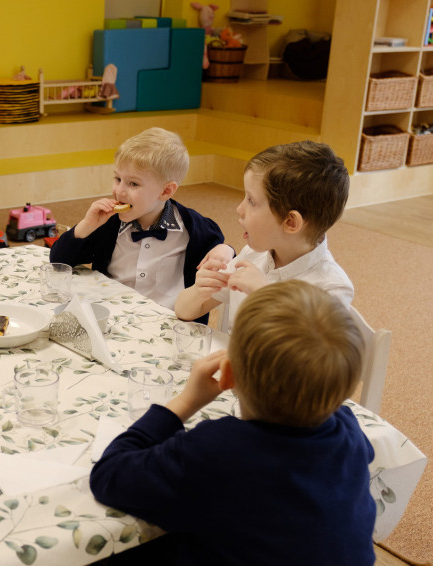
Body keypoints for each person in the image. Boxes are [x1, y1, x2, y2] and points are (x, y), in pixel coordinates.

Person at [90, 280, 376, 565]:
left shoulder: (218, 449)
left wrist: (186, 402)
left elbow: (110, 476)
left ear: (228, 375)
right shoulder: (348, 430)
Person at [49, 127, 229, 318]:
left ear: (166, 191)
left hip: (168, 322)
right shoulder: (108, 224)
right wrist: (87, 224)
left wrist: (225, 250)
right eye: (118, 179)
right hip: (113, 316)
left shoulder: (196, 229)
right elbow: (59, 261)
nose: (119, 191)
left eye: (133, 184)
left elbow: (220, 258)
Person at [174, 140, 353, 329]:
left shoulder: (332, 288)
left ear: (291, 222)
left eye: (251, 201)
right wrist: (198, 291)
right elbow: (183, 311)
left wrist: (264, 294)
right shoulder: (252, 256)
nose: (240, 208)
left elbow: (313, 346)